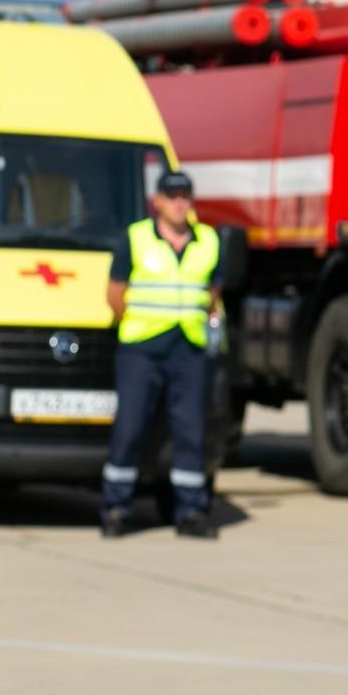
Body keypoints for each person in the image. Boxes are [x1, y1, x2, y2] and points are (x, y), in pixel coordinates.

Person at [100, 169, 222, 539]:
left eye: (186, 196)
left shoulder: (208, 241)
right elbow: (115, 293)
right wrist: (135, 325)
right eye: (173, 197)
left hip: (188, 350)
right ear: (158, 202)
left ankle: (191, 511)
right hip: (142, 350)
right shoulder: (136, 239)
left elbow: (213, 290)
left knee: (191, 432)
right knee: (130, 428)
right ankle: (117, 508)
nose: (180, 203)